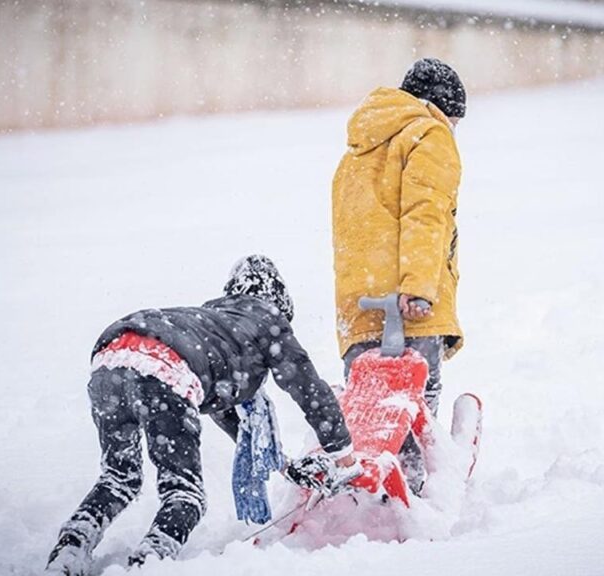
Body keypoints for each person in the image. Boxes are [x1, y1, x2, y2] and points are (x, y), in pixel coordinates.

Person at [46, 255, 359, 574]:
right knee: (184, 495)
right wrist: (345, 457)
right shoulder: (267, 319)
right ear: (279, 302)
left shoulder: (212, 324)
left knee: (119, 477)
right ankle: (146, 564)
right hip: (164, 368)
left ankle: (70, 550)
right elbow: (310, 390)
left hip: (110, 359)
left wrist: (286, 467)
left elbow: (227, 413)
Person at [331, 57, 467, 494]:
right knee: (415, 405)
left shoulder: (358, 148)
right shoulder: (430, 133)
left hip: (358, 306)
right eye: (456, 120)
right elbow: (425, 215)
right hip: (410, 302)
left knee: (372, 413)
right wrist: (419, 287)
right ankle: (418, 491)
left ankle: (371, 490)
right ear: (441, 108)